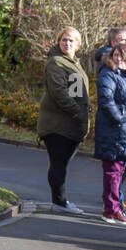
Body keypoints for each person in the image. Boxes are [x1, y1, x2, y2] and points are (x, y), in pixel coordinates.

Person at [37, 27, 90, 213]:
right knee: (58, 163)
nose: (67, 43)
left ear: (78, 44)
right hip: (57, 125)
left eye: (71, 40)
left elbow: (75, 91)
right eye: (64, 40)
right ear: (59, 42)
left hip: (70, 123)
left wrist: (80, 115)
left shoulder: (72, 63)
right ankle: (59, 202)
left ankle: (61, 202)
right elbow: (59, 92)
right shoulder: (56, 63)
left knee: (62, 164)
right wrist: (78, 113)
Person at [95, 43, 126, 225]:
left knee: (119, 170)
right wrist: (120, 120)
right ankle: (111, 209)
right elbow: (106, 101)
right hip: (113, 130)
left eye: (122, 56)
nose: (118, 59)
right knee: (112, 171)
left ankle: (115, 207)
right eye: (116, 55)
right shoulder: (108, 74)